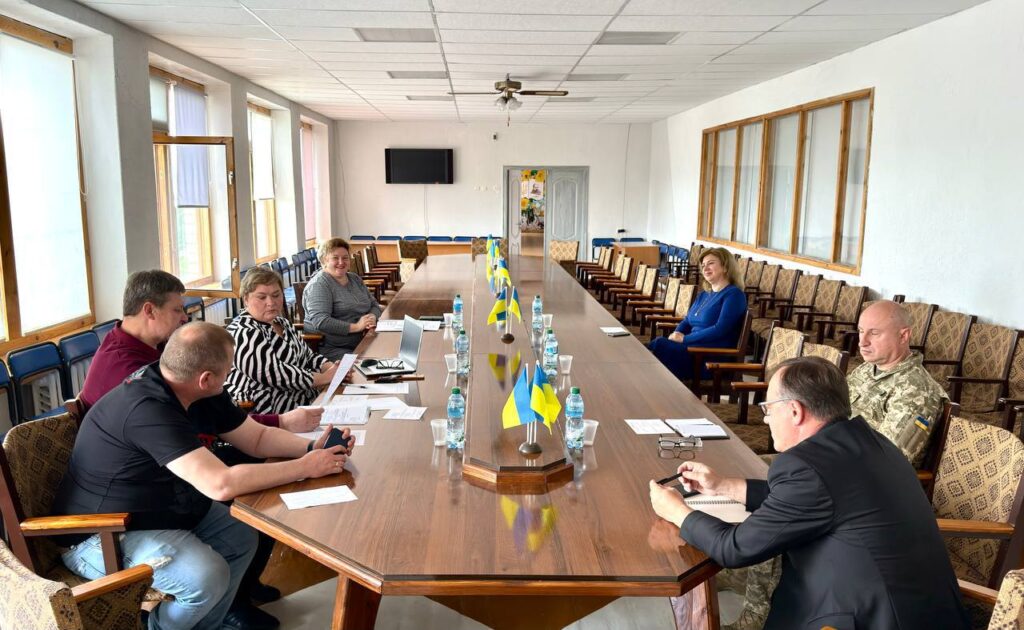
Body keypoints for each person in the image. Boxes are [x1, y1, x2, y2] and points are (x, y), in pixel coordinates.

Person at [54, 323, 354, 630]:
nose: (230, 376)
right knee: (206, 578)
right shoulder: (147, 408)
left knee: (241, 536)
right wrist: (305, 467)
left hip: (160, 508)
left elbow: (257, 438)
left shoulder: (194, 385)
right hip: (101, 532)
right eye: (228, 370)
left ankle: (206, 625)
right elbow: (220, 484)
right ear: (206, 378)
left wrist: (310, 448)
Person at [649, 356, 968, 629]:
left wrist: (677, 511)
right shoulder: (868, 440)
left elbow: (735, 548)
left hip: (873, 619)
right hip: (925, 612)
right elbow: (808, 499)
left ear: (795, 411)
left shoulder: (807, 467)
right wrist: (721, 485)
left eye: (767, 408)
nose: (765, 418)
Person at [80, 270, 323, 433]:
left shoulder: (158, 343)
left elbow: (212, 404)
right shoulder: (126, 367)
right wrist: (279, 422)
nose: (185, 318)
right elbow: (201, 418)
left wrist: (278, 423)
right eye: (177, 310)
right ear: (149, 310)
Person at [226, 266, 338, 415]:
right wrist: (324, 378)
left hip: (305, 397)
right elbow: (275, 374)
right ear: (246, 299)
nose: (271, 302)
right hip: (269, 409)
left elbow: (308, 356)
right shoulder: (243, 332)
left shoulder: (282, 322)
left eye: (276, 295)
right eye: (262, 297)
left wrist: (331, 368)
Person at [848, 300, 947, 467]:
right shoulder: (867, 368)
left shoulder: (916, 391)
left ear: (903, 336)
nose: (862, 342)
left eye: (874, 333)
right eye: (861, 331)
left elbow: (887, 460)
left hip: (862, 473)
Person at [649, 247, 747, 381]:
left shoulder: (734, 295)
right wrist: (676, 334)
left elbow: (720, 329)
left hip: (709, 358)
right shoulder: (704, 294)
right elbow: (687, 321)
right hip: (691, 350)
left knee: (658, 346)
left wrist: (685, 339)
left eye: (711, 263)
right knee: (650, 350)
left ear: (725, 267)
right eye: (703, 265)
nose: (705, 268)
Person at [303, 238, 382, 360]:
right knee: (374, 365)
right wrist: (357, 326)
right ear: (324, 261)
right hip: (334, 348)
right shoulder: (319, 285)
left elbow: (374, 304)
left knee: (393, 354)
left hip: (366, 339)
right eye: (335, 258)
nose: (341, 262)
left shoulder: (354, 278)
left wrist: (372, 316)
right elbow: (321, 321)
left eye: (345, 258)